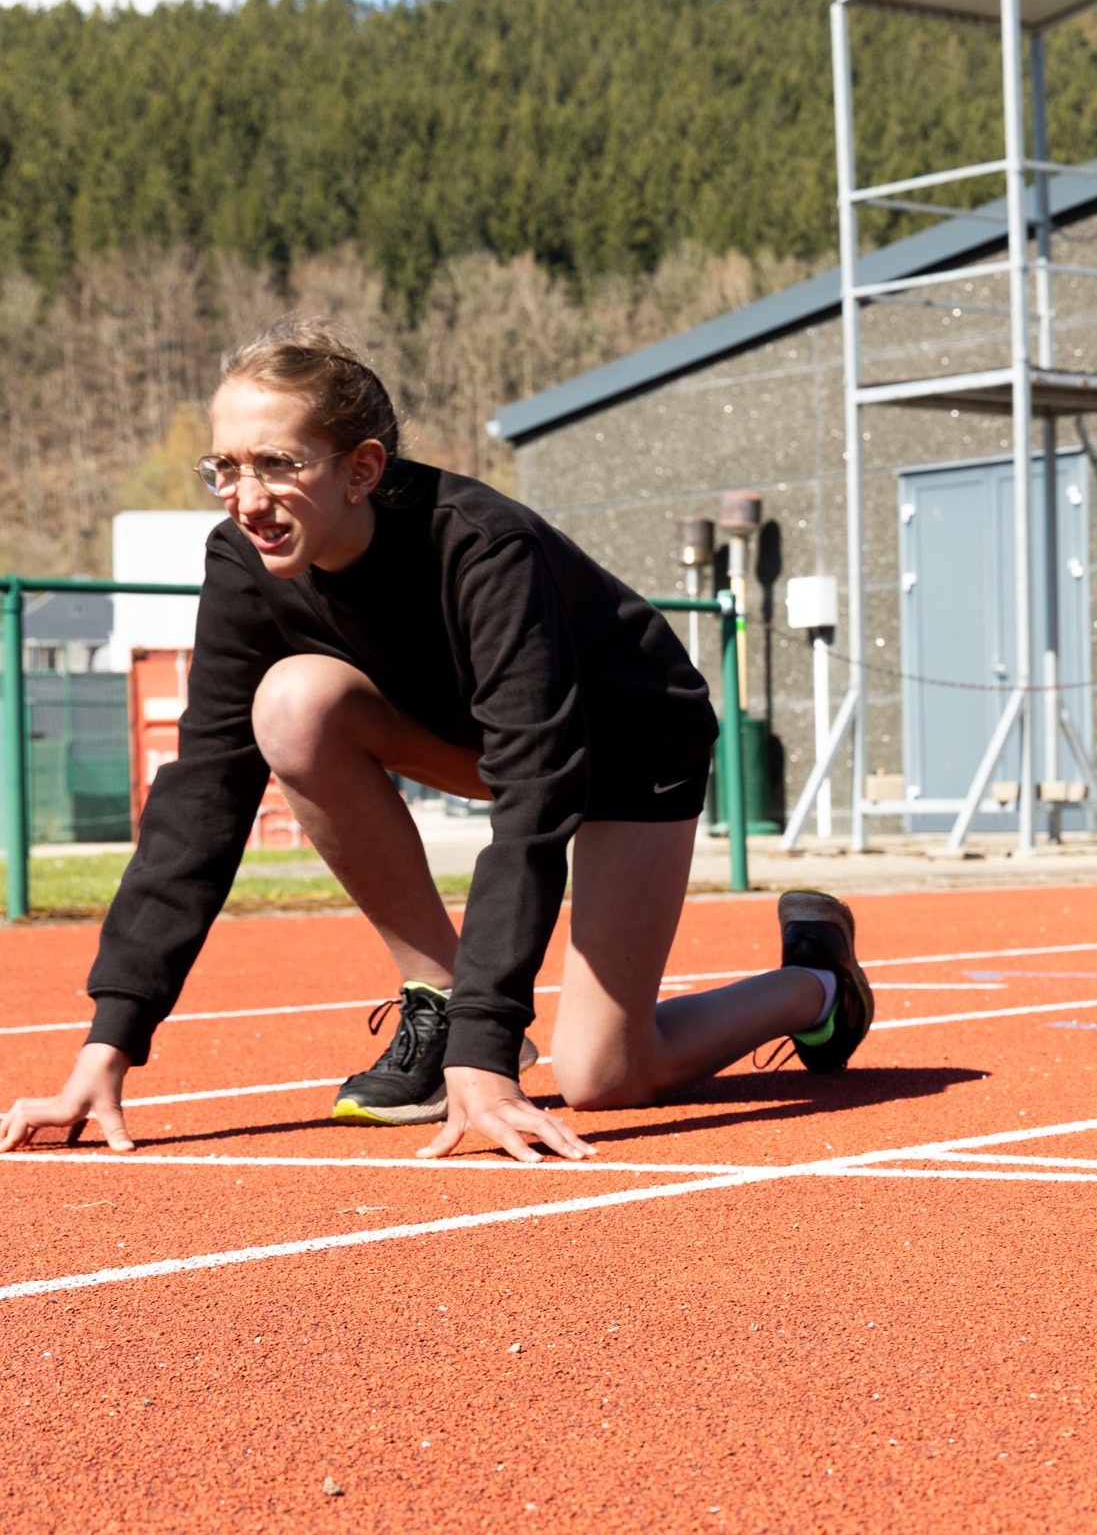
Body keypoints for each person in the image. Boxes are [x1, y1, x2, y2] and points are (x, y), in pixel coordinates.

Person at [0, 316, 873, 1164]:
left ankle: (816, 982)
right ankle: (440, 998)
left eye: (277, 464)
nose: (247, 498)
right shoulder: (240, 560)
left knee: (609, 1076)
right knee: (291, 705)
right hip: (476, 736)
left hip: (630, 747)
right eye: (224, 467)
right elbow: (201, 796)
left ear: (363, 469)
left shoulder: (483, 549)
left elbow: (537, 792)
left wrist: (488, 1056)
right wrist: (105, 1049)